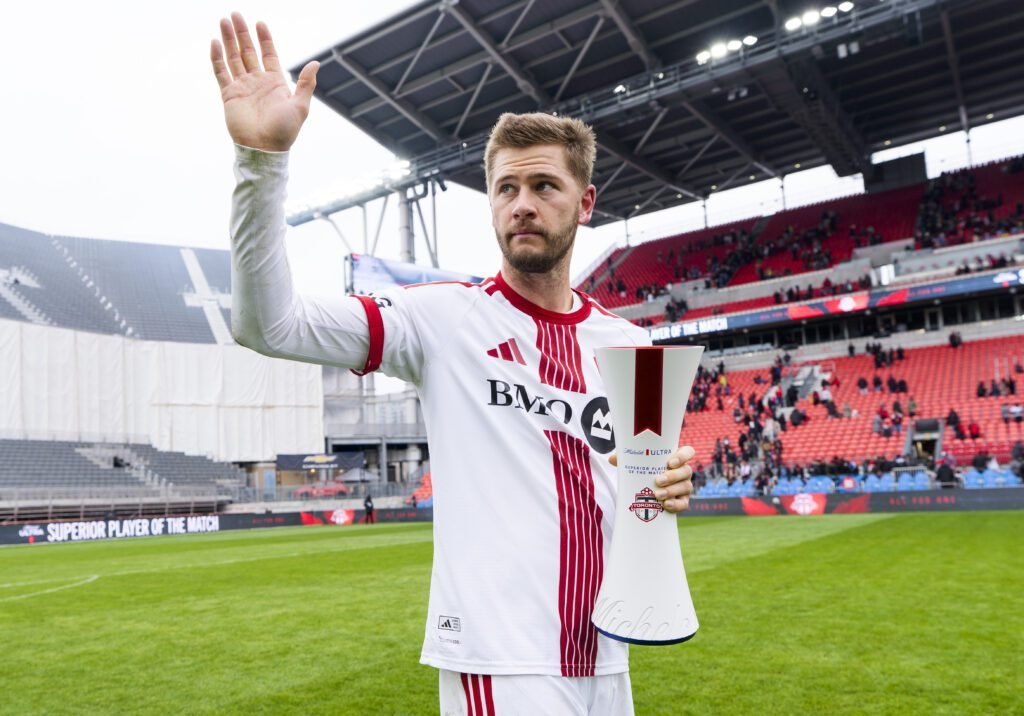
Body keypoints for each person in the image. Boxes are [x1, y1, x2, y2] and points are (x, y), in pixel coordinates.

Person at [211, 14, 696, 712]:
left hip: (608, 658)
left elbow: (635, 490)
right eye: (505, 188)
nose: (521, 205)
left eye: (543, 187)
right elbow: (269, 323)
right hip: (500, 658)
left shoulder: (632, 348)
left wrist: (668, 485)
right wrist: (262, 166)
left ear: (586, 203)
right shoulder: (439, 319)